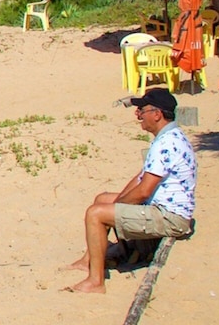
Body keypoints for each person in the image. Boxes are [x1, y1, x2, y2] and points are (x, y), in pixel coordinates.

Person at [65, 88, 197, 293]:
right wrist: (118, 201)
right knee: (102, 199)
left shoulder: (166, 143)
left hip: (170, 216)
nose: (138, 115)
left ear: (157, 114)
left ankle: (96, 281)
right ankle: (88, 260)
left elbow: (144, 191)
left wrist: (118, 205)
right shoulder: (168, 137)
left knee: (95, 214)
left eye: (141, 110)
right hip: (162, 207)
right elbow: (141, 177)